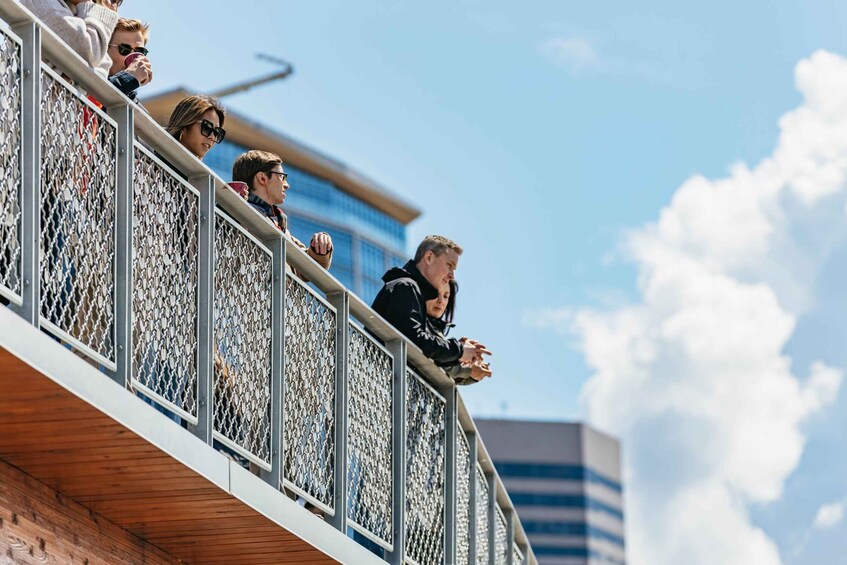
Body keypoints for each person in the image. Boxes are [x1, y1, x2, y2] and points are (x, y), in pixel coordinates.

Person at [372, 235, 490, 366]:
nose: (452, 275)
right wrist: (459, 350)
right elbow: (416, 341)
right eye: (449, 265)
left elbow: (421, 350)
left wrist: (459, 353)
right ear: (429, 258)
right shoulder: (406, 287)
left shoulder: (412, 290)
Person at [231, 150, 333, 271]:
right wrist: (230, 199)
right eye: (281, 177)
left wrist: (320, 250)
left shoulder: (278, 223)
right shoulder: (235, 212)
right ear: (262, 178)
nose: (286, 185)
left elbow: (306, 268)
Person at [22, 0, 120, 79]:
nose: (108, 3)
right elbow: (90, 51)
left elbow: (103, 68)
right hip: (30, 98)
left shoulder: (75, 10)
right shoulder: (43, 3)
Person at [427, 280, 492, 385]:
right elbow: (433, 363)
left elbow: (445, 374)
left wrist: (466, 361)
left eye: (445, 296)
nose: (440, 301)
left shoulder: (436, 331)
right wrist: (458, 352)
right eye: (436, 294)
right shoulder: (421, 327)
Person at [165, 94, 226, 161]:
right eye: (207, 127)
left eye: (216, 132)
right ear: (186, 124)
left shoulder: (199, 171)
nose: (212, 137)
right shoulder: (153, 156)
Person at [106, 18, 152, 101]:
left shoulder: (138, 111)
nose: (133, 57)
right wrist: (127, 78)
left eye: (140, 51)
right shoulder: (86, 79)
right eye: (125, 49)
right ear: (105, 49)